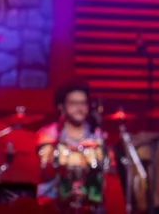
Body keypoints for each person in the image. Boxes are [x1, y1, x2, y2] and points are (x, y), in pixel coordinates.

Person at [36, 79, 115, 213]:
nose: (79, 108)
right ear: (61, 106)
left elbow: (109, 168)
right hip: (54, 203)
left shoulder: (97, 135)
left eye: (83, 103)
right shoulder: (49, 134)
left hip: (90, 204)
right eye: (73, 103)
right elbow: (46, 166)